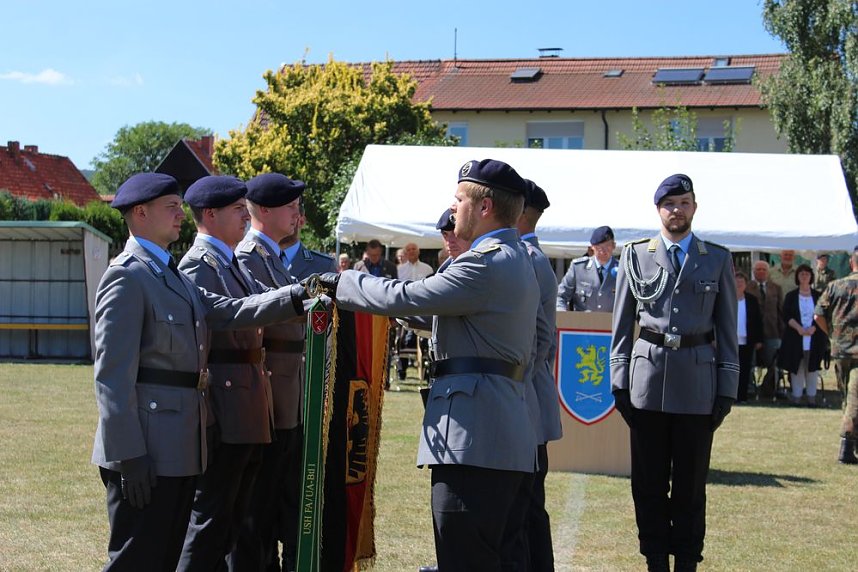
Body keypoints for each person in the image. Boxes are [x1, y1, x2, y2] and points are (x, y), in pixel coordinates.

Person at [313, 159, 539, 571]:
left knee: (464, 558)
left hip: (477, 441)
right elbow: (442, 313)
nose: (453, 211)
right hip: (499, 435)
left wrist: (340, 282)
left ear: (485, 206)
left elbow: (408, 296)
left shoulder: (484, 263)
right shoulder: (513, 256)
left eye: (459, 201)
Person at [91, 173, 308, 571]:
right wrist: (127, 454)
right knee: (135, 558)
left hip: (179, 443)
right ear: (140, 213)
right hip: (146, 446)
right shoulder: (126, 275)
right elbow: (111, 377)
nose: (180, 214)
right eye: (171, 207)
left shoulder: (169, 272)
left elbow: (229, 311)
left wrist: (296, 295)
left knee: (168, 553)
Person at [610, 173, 738, 572]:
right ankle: (655, 560)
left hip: (698, 387)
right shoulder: (634, 255)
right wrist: (619, 381)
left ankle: (686, 561)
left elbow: (728, 329)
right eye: (669, 204)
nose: (676, 210)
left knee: (690, 484)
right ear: (658, 209)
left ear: (694, 207)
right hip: (646, 385)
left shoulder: (716, 258)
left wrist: (727, 388)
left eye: (683, 203)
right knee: (647, 484)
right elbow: (620, 326)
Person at [176, 176, 273, 569]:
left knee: (230, 522)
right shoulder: (198, 265)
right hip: (225, 403)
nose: (245, 218)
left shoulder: (231, 262)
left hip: (247, 402)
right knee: (210, 522)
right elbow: (215, 332)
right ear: (210, 215)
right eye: (237, 210)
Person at [234, 173, 307, 571]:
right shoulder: (248, 257)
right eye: (289, 204)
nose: (297, 211)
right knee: (256, 518)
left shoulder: (273, 258)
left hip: (286, 403)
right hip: (266, 404)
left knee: (278, 511)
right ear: (263, 210)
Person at [517, 179, 563, 571]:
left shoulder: (527, 259)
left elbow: (539, 340)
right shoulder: (532, 257)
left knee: (526, 509)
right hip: (530, 401)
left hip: (524, 401)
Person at [814, 246, 858, 464]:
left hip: (840, 349)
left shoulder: (834, 286)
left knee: (847, 396)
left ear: (851, 263)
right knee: (854, 398)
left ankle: (850, 442)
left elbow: (818, 315)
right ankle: (846, 445)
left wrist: (832, 334)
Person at [778, 264, 827, 406]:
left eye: (807, 274)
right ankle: (797, 397)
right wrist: (799, 328)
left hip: (814, 338)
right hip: (795, 337)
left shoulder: (818, 295)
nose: (804, 276)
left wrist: (814, 328)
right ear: (797, 277)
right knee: (797, 367)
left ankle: (812, 398)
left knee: (812, 368)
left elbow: (823, 314)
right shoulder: (791, 296)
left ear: (811, 277)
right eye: (801, 274)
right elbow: (786, 315)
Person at [556, 225, 618, 312]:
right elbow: (561, 295)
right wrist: (562, 314)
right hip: (582, 324)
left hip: (612, 324)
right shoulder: (578, 268)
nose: (603, 251)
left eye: (607, 246)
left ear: (614, 246)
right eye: (599, 247)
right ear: (592, 247)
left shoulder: (623, 270)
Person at [746, 261, 785, 394]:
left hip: (772, 331)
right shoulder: (746, 287)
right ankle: (749, 388)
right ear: (753, 271)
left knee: (775, 363)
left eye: (763, 269)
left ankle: (768, 387)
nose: (761, 272)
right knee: (749, 363)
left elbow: (780, 311)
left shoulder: (776, 288)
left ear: (768, 272)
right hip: (751, 332)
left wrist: (781, 331)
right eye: (758, 269)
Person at [735, 271, 764, 402]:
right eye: (736, 281)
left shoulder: (752, 300)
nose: (739, 284)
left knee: (745, 369)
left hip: (747, 340)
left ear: (746, 284)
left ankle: (742, 396)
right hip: (730, 341)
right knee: (730, 369)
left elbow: (758, 321)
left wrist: (759, 339)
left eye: (741, 282)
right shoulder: (725, 298)